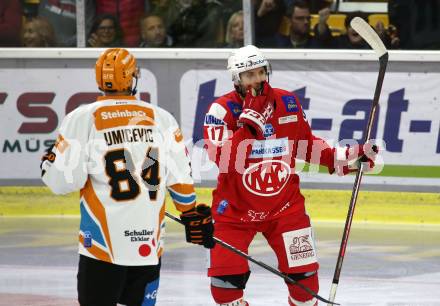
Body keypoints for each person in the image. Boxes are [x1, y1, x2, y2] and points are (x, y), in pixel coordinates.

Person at [203, 45, 378, 306]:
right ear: (236, 79)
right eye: (249, 75)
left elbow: (306, 145)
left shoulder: (288, 102)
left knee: (305, 288)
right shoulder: (221, 110)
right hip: (235, 213)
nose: (257, 80)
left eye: (261, 72)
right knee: (225, 291)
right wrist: (249, 125)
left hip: (285, 209)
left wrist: (346, 157)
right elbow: (224, 160)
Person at [40, 48, 215, 306]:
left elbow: (63, 182)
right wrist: (189, 214)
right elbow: (180, 177)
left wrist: (48, 164)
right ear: (133, 78)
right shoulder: (161, 118)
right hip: (148, 244)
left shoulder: (82, 118)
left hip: (100, 247)